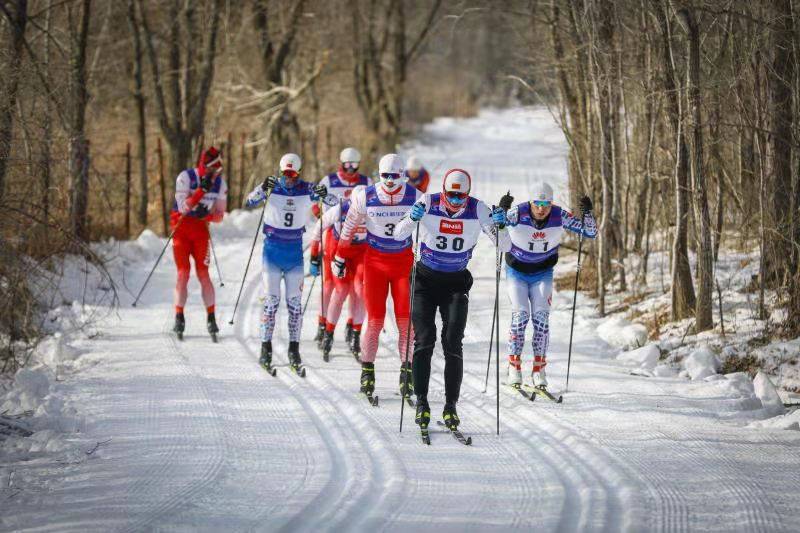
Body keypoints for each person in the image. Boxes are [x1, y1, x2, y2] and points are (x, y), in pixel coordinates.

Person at [394, 169, 510, 430]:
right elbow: (399, 234)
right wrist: (411, 219)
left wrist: (501, 225)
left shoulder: (478, 209)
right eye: (451, 195)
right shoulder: (427, 202)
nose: (455, 202)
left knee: (452, 343)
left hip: (455, 283)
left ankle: (450, 406)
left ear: (467, 194)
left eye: (461, 197)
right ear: (443, 191)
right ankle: (421, 401)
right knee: (424, 340)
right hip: (424, 281)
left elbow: (504, 247)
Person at [334, 153, 421, 400]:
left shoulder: (416, 197)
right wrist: (340, 257)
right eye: (385, 176)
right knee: (375, 321)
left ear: (403, 175)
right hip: (375, 264)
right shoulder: (365, 196)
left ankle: (407, 373)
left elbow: (429, 227)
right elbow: (349, 227)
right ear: (378, 175)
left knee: (406, 322)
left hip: (403, 264)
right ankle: (367, 371)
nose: (390, 181)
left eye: (395, 176)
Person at [245, 153, 333, 374]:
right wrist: (262, 188)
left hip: (294, 254)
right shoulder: (271, 185)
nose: (289, 178)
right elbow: (249, 202)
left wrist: (325, 194)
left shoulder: (307, 188)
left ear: (299, 172)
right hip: (272, 252)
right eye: (286, 173)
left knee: (295, 305)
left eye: (293, 174)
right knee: (271, 302)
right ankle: (266, 349)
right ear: (280, 170)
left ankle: (294, 350)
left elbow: (334, 202)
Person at [504, 182, 596, 390]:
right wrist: (502, 210)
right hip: (517, 273)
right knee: (520, 318)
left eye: (546, 203)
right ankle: (514, 366)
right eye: (537, 203)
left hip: (542, 274)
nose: (541, 208)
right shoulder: (518, 212)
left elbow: (589, 233)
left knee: (541, 320)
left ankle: (539, 369)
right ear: (531, 202)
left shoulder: (559, 215)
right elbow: (492, 226)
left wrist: (588, 214)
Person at [312, 147, 372, 348]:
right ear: (341, 163)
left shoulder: (366, 182)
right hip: (334, 237)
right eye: (348, 165)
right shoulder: (329, 181)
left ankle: (352, 324)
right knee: (331, 285)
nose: (351, 169)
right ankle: (323, 324)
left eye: (355, 165)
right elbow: (315, 205)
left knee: (358, 288)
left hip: (360, 242)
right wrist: (321, 212)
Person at [171, 146, 227, 340]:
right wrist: (200, 191)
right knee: (183, 273)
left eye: (218, 169)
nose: (216, 173)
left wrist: (209, 216)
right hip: (181, 230)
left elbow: (220, 216)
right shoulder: (185, 178)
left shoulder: (219, 183)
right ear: (204, 166)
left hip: (201, 232)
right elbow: (182, 208)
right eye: (213, 168)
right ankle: (179, 316)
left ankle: (211, 318)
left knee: (203, 274)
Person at [309, 197, 368, 359]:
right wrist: (314, 255)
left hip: (360, 251)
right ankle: (327, 331)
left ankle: (355, 334)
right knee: (340, 289)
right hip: (337, 248)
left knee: (360, 289)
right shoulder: (340, 209)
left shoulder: (372, 209)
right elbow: (318, 228)